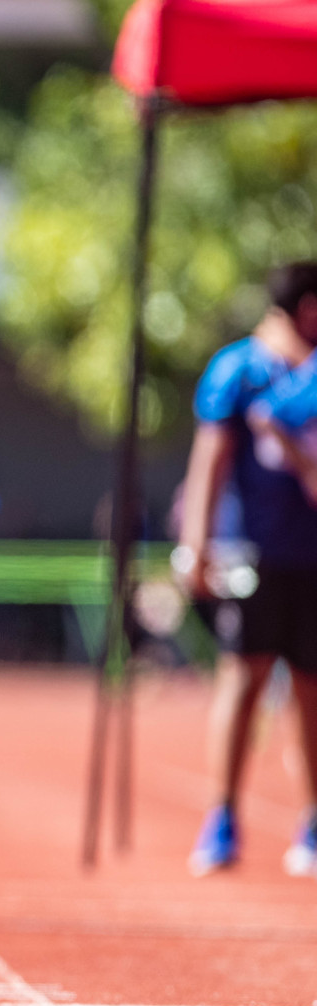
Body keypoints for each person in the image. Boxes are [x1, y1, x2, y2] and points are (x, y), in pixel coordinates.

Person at [178, 262, 317, 877]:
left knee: (311, 688)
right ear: (304, 307)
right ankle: (222, 816)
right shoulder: (239, 369)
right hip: (251, 553)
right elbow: (211, 458)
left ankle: (311, 821)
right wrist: (196, 544)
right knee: (244, 678)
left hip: (312, 554)